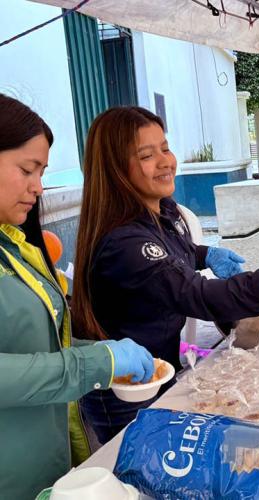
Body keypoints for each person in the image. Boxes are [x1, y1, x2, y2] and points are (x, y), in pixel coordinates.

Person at [72, 106, 259, 444]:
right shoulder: (124, 241)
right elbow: (199, 296)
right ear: (116, 169)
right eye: (146, 155)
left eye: (165, 148)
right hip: (126, 390)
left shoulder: (162, 211)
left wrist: (204, 253)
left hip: (161, 367)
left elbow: (170, 253)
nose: (165, 161)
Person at [0, 95, 155, 498]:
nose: (38, 187)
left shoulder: (14, 247)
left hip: (45, 468)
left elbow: (38, 342)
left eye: (42, 172)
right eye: (27, 170)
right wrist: (93, 363)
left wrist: (102, 353)